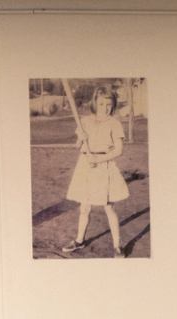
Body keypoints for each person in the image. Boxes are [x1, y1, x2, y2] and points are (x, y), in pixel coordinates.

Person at [60, 87, 131, 256]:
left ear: (113, 105)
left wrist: (98, 160)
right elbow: (77, 146)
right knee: (84, 207)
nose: (105, 107)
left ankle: (117, 245)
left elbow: (119, 150)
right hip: (85, 166)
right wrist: (81, 139)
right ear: (95, 103)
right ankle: (79, 241)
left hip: (104, 166)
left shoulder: (114, 123)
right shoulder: (85, 121)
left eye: (108, 104)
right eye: (101, 103)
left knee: (108, 207)